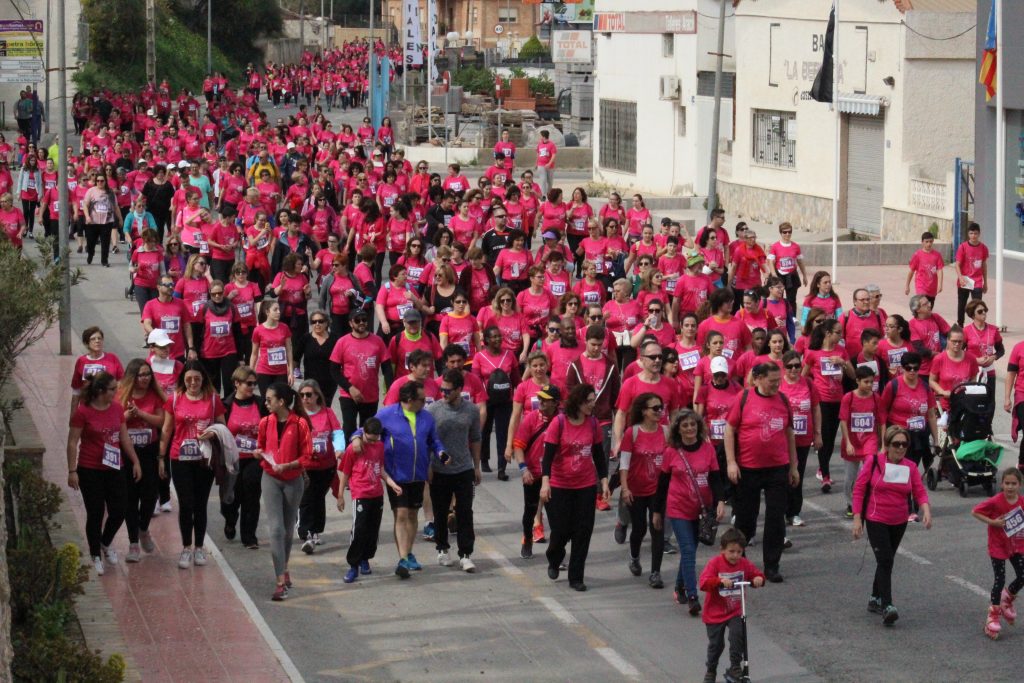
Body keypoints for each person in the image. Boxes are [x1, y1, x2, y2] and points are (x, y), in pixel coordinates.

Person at [353, 381, 448, 579]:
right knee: (402, 514)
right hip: (396, 476)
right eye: (422, 399)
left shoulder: (426, 418)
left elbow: (434, 441)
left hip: (418, 475)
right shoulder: (387, 415)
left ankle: (408, 552)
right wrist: (355, 438)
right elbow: (365, 429)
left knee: (413, 515)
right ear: (409, 399)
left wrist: (441, 453)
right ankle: (403, 559)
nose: (425, 402)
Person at [724, 363, 798, 582]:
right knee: (746, 518)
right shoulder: (744, 398)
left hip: (777, 468)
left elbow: (789, 433)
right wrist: (731, 462)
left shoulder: (783, 400)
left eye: (778, 380)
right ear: (757, 379)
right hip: (748, 468)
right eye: (772, 380)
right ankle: (739, 562)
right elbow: (730, 429)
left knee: (775, 518)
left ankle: (772, 565)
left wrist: (793, 467)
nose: (777, 384)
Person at [852, 426, 932, 626]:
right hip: (876, 518)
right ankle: (887, 606)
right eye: (896, 444)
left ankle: (874, 597)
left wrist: (926, 510)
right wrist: (856, 518)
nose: (900, 448)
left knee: (886, 560)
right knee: (886, 560)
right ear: (887, 445)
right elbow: (859, 489)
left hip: (899, 521)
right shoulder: (874, 463)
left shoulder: (910, 467)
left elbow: (919, 490)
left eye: (904, 444)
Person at [67, 372, 143, 576]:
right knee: (96, 513)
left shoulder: (117, 408)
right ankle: (95, 555)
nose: (115, 392)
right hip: (90, 468)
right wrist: (72, 470)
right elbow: (73, 441)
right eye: (112, 389)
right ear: (100, 391)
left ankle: (105, 542)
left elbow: (124, 437)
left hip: (115, 467)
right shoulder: (83, 412)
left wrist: (135, 461)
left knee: (120, 509)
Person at [541, 383, 611, 591]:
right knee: (561, 530)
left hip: (585, 485)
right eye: (589, 401)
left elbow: (599, 455)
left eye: (594, 401)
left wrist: (604, 481)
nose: (592, 405)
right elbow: (548, 457)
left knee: (583, 531)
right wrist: (545, 482)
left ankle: (576, 576)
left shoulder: (593, 424)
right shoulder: (559, 423)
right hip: (560, 485)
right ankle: (554, 557)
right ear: (578, 402)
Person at [655, 409, 725, 615]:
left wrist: (720, 501)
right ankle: (693, 596)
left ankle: (679, 587)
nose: (690, 429)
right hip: (678, 508)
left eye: (693, 424)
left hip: (702, 509)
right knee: (687, 549)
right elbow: (662, 484)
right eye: (685, 425)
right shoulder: (671, 452)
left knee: (690, 551)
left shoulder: (708, 449)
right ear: (678, 429)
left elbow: (715, 478)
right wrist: (657, 512)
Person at [160, 361, 226, 569]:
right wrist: (161, 458)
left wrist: (211, 433)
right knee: (186, 504)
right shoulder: (175, 399)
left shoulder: (213, 399)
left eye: (197, 378)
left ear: (203, 379)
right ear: (183, 380)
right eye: (189, 379)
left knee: (200, 504)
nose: (193, 382)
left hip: (203, 459)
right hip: (180, 458)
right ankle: (186, 547)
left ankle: (199, 547)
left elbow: (222, 427)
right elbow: (166, 430)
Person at [255, 382, 311, 601]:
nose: (266, 403)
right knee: (276, 530)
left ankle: (284, 566)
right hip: (270, 477)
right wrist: (259, 453)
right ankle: (280, 581)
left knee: (287, 530)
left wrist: (288, 466)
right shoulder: (264, 422)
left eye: (269, 399)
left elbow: (307, 456)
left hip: (292, 480)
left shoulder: (300, 424)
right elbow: (260, 445)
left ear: (282, 402)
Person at [427, 370, 482, 572]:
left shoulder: (472, 410)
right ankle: (442, 548)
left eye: (448, 390)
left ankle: (466, 554)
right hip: (439, 470)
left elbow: (476, 438)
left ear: (459, 389)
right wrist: (428, 467)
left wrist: (476, 466)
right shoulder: (432, 410)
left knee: (465, 512)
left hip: (464, 469)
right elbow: (428, 441)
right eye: (442, 389)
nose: (444, 393)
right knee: (440, 512)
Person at [337, 417, 402, 583]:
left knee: (372, 530)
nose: (372, 442)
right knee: (359, 529)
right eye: (369, 439)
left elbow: (380, 469)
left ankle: (365, 558)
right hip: (360, 494)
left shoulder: (379, 447)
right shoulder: (354, 448)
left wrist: (391, 483)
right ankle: (353, 565)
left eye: (375, 439)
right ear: (362, 433)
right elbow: (345, 471)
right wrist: (340, 495)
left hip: (376, 494)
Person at [698, 528, 765, 683]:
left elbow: (756, 574)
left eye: (739, 552)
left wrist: (758, 579)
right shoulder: (715, 564)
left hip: (735, 610)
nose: (735, 555)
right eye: (731, 551)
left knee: (737, 636)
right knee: (716, 645)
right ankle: (711, 669)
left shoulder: (744, 564)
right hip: (715, 613)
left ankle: (735, 666)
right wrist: (719, 581)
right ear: (722, 550)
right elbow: (703, 582)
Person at [618, 393, 671, 588]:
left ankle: (655, 572)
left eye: (661, 407)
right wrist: (625, 489)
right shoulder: (632, 433)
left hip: (658, 491)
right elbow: (624, 464)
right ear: (643, 411)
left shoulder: (666, 432)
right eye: (655, 408)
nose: (659, 411)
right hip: (636, 489)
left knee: (657, 528)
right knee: (639, 528)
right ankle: (634, 557)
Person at [117, 359, 165, 563]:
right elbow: (114, 420)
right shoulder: (121, 394)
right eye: (141, 375)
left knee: (150, 494)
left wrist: (141, 413)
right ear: (132, 377)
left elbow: (161, 421)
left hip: (149, 450)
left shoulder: (155, 396)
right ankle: (133, 543)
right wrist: (127, 415)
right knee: (130, 496)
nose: (145, 378)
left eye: (148, 374)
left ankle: (143, 528)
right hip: (127, 451)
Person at [971, 467, 1024, 640]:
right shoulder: (996, 501)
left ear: (1019, 485)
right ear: (1002, 484)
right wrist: (993, 522)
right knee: (999, 579)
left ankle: (1006, 599)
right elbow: (975, 511)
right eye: (1007, 483)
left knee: (1022, 575)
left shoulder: (1022, 501)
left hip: (1016, 545)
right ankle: (993, 614)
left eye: (1013, 484)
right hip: (998, 546)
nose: (1010, 487)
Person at [803, 318, 855, 493]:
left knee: (832, 438)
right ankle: (825, 475)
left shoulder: (841, 351)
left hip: (838, 398)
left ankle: (822, 466)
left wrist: (843, 363)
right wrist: (812, 389)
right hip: (822, 400)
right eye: (838, 332)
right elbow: (804, 376)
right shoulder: (813, 353)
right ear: (828, 333)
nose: (841, 335)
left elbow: (853, 375)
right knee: (823, 436)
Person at [221, 365, 266, 549]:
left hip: (254, 458)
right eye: (248, 384)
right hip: (232, 459)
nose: (252, 387)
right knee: (230, 499)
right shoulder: (226, 406)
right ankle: (230, 520)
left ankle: (249, 537)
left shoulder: (261, 404)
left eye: (254, 384)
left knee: (251, 496)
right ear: (236, 384)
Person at [296, 380, 344, 553]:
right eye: (302, 395)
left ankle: (316, 531)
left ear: (317, 395)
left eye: (309, 394)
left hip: (326, 465)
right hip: (306, 466)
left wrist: (339, 448)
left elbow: (337, 432)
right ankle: (306, 533)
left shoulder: (327, 412)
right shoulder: (298, 416)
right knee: (307, 498)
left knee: (318, 498)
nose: (305, 398)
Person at [330, 309, 391, 442]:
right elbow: (334, 370)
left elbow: (387, 368)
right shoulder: (342, 342)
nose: (362, 323)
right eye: (357, 320)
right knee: (349, 429)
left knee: (367, 431)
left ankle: (365, 460)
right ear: (351, 323)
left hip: (370, 395)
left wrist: (390, 391)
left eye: (364, 319)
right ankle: (350, 459)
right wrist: (349, 388)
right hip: (349, 395)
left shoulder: (378, 341)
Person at [779, 350, 821, 527]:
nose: (794, 369)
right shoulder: (779, 385)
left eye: (798, 365)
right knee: (782, 477)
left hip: (803, 439)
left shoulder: (808, 384)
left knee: (798, 475)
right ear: (784, 367)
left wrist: (818, 433)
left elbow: (816, 409)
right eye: (790, 366)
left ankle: (794, 512)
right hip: (781, 441)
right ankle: (781, 510)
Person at [839, 366, 884, 518]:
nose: (870, 385)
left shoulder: (875, 398)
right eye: (866, 382)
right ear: (857, 381)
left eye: (872, 382)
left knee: (869, 472)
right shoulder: (848, 398)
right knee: (849, 479)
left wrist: (883, 444)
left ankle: (868, 502)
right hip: (852, 441)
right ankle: (851, 504)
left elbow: (881, 422)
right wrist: (848, 443)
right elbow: (843, 421)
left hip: (869, 440)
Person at [71, 326, 125, 414]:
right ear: (86, 343)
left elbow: (122, 382)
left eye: (99, 338)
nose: (97, 341)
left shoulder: (112, 358)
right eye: (93, 339)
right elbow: (76, 390)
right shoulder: (81, 361)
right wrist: (73, 417)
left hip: (110, 407)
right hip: (88, 408)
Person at [250, 300, 294, 396]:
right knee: (266, 401)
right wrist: (250, 373)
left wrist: (291, 372)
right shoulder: (258, 330)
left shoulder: (284, 328)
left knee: (281, 401)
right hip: (264, 370)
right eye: (275, 309)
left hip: (281, 371)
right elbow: (254, 353)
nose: (279, 312)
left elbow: (289, 351)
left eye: (279, 309)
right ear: (267, 312)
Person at [963, 299, 1003, 400]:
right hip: (972, 372)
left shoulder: (993, 330)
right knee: (973, 401)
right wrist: (975, 360)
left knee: (989, 402)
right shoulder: (966, 331)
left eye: (985, 310)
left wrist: (994, 357)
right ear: (973, 315)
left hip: (989, 372)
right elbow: (959, 352)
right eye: (980, 311)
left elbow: (1001, 350)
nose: (984, 312)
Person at [83, 173, 123, 266]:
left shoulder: (110, 193)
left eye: (102, 181)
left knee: (105, 243)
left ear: (105, 182)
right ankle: (90, 253)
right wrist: (87, 216)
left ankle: (104, 261)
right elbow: (85, 205)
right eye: (98, 181)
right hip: (92, 222)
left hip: (107, 222)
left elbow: (116, 207)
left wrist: (120, 219)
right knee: (90, 243)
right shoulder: (91, 191)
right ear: (96, 181)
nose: (100, 182)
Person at [954, 222, 989, 326]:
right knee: (962, 304)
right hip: (965, 280)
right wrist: (960, 278)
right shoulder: (963, 247)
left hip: (977, 281)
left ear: (979, 234)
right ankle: (960, 324)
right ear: (968, 234)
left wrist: (985, 282)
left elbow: (984, 265)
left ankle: (977, 323)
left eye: (976, 233)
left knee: (978, 305)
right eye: (971, 233)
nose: (973, 236)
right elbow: (957, 264)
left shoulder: (983, 248)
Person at [905, 231, 944, 305]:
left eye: (931, 241)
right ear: (922, 242)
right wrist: (907, 285)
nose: (929, 244)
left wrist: (940, 284)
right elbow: (911, 271)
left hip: (932, 287)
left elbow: (939, 270)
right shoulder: (917, 255)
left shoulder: (937, 255)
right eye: (926, 242)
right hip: (921, 286)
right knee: (922, 305)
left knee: (929, 308)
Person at [1005, 340, 1024, 466]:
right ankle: (1022, 464)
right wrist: (1007, 398)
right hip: (1022, 394)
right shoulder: (1019, 348)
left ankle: (1022, 461)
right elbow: (1011, 373)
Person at [534, 130, 557, 195]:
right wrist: (536, 163)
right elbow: (538, 153)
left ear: (544, 136)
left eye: (540, 136)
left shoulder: (552, 144)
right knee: (543, 180)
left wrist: (549, 163)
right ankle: (543, 195)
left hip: (550, 166)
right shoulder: (540, 144)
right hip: (541, 165)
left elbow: (554, 155)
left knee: (550, 181)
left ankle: (549, 193)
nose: (540, 137)